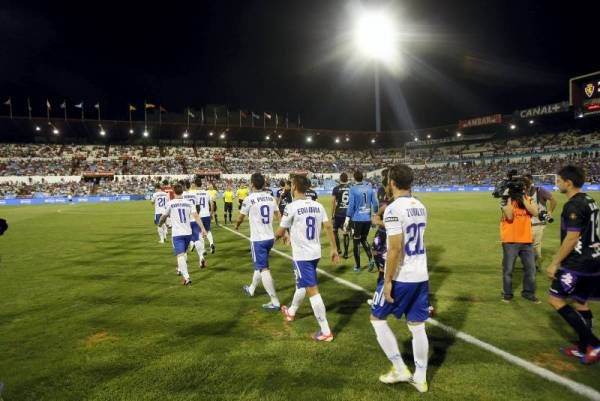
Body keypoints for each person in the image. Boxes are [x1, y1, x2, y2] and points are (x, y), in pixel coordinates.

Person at [369, 164, 429, 393]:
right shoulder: (420, 206)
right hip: (421, 274)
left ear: (391, 182)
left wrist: (387, 282)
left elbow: (394, 249)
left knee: (377, 318)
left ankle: (400, 368)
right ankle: (420, 378)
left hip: (403, 276)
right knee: (416, 325)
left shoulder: (394, 209)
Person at [546, 165, 600, 365]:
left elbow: (571, 238)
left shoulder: (573, 205)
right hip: (594, 259)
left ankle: (594, 344)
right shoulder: (590, 200)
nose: (557, 184)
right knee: (580, 301)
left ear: (568, 183)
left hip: (578, 263)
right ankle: (583, 346)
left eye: (559, 181)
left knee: (555, 298)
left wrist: (555, 262)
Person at [276, 175, 339, 341]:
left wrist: (272, 239)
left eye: (291, 185)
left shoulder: (291, 207)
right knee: (302, 284)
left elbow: (280, 232)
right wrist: (333, 248)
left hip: (302, 256)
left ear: (295, 187)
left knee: (312, 290)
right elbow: (328, 226)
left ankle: (326, 332)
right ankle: (291, 312)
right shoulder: (318, 205)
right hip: (315, 253)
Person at [235, 173, 282, 311]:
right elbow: (278, 215)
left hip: (258, 239)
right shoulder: (270, 197)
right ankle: (251, 289)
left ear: (252, 184)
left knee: (263, 268)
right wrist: (282, 232)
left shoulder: (249, 199)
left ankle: (275, 301)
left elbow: (241, 217)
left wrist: (237, 225)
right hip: (270, 237)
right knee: (260, 265)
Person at [499, 176, 539, 303]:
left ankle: (528, 292)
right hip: (510, 240)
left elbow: (535, 212)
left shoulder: (528, 199)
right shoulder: (506, 200)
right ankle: (507, 293)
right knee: (508, 269)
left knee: (531, 269)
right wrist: (509, 199)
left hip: (526, 240)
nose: (523, 189)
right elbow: (509, 216)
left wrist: (523, 199)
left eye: (524, 188)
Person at [158, 184, 207, 285]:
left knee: (180, 255)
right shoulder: (189, 203)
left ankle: (186, 277)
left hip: (177, 234)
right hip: (188, 233)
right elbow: (196, 216)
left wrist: (160, 224)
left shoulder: (170, 203)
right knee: (183, 253)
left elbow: (163, 217)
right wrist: (202, 228)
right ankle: (181, 270)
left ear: (173, 192)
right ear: (182, 192)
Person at [345, 170, 378, 272]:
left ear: (354, 178)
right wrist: (374, 214)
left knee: (356, 242)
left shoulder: (353, 189)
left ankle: (358, 266)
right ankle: (370, 259)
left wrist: (348, 217)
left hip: (357, 219)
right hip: (367, 219)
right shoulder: (369, 188)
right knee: (364, 239)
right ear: (362, 178)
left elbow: (351, 205)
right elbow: (375, 203)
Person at [524, 173, 558, 270]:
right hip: (525, 223)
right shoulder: (522, 192)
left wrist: (550, 212)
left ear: (531, 181)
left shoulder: (540, 190)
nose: (525, 183)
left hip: (538, 223)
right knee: (527, 245)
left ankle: (536, 265)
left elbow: (554, 200)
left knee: (535, 245)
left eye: (526, 181)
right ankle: (531, 264)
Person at [184, 180, 206, 268]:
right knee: (197, 238)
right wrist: (197, 215)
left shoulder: (183, 195)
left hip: (186, 221)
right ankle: (201, 257)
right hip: (195, 219)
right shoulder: (194, 195)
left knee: (184, 239)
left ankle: (182, 264)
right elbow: (198, 207)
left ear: (184, 187)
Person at [331, 173, 351, 259]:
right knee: (346, 232)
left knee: (335, 231)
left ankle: (339, 249)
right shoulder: (351, 188)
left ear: (340, 179)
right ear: (347, 179)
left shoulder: (336, 188)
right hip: (347, 214)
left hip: (338, 213)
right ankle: (346, 253)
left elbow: (333, 202)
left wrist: (332, 215)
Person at [196, 180, 216, 254]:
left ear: (195, 185)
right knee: (208, 230)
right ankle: (211, 243)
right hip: (207, 214)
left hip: (199, 215)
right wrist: (211, 213)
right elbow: (212, 203)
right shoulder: (207, 192)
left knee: (200, 232)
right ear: (202, 184)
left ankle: (203, 249)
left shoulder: (195, 193)